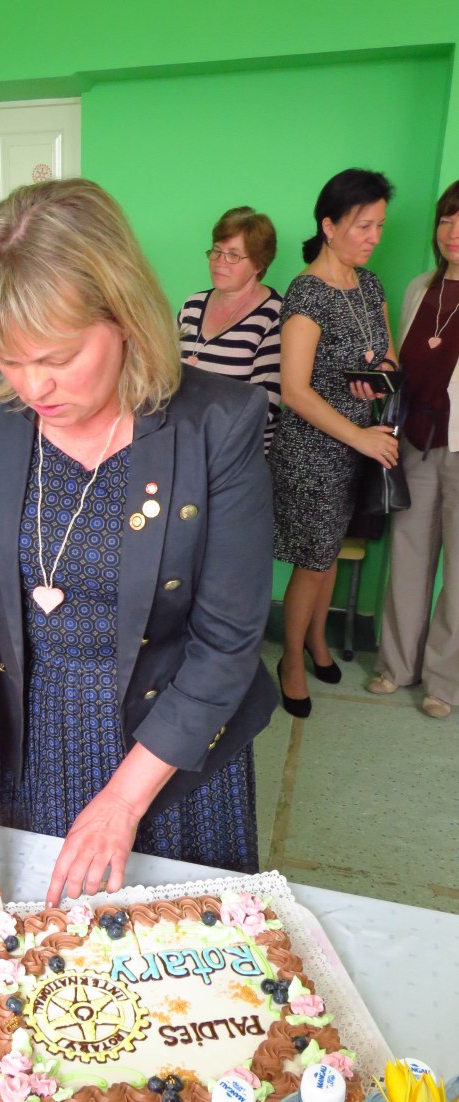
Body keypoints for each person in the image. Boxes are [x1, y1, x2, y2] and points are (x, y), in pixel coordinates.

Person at [0, 179, 277, 905]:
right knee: (41, 948)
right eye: (9, 359)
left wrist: (124, 800)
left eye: (56, 358)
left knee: (168, 946)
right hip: (29, 733)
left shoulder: (217, 426)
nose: (32, 387)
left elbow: (226, 646)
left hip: (166, 744)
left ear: (123, 317)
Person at [269, 169, 399, 719]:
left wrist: (380, 375)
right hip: (313, 452)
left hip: (355, 446)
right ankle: (290, 662)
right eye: (363, 226)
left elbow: (388, 354)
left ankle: (317, 641)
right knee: (314, 562)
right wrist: (362, 438)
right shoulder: (307, 293)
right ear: (329, 225)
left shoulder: (369, 285)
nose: (374, 237)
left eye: (380, 226)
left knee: (329, 558)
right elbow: (294, 391)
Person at [367, 180, 459, 719]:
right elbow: (403, 365)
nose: (454, 231)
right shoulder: (421, 287)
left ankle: (444, 682)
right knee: (408, 555)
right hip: (415, 440)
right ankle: (397, 665)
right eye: (447, 219)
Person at [177, 206, 282, 455]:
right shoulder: (192, 305)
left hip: (238, 456)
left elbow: (265, 406)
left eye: (233, 255)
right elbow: (164, 373)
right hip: (186, 447)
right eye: (216, 251)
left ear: (258, 264)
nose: (219, 262)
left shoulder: (274, 314)